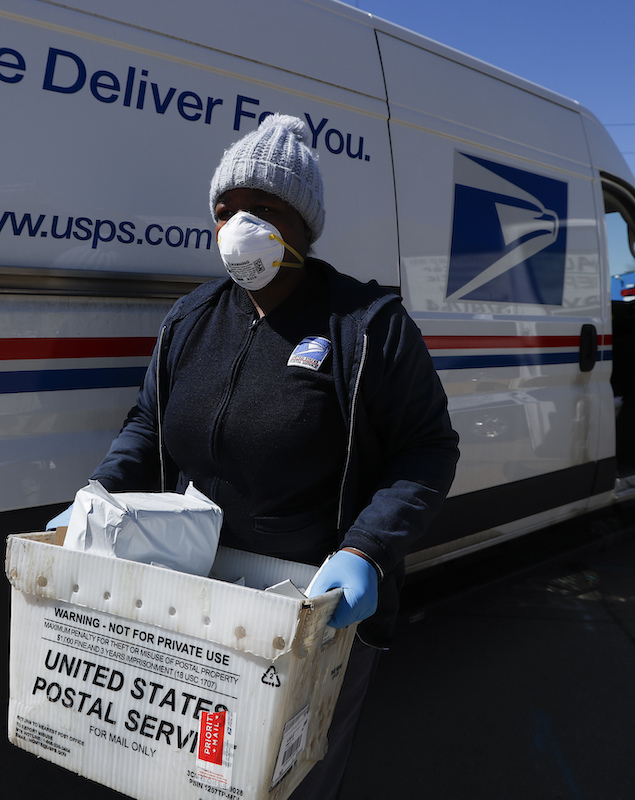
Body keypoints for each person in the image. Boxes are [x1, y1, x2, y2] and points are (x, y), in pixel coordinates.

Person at [53, 114, 459, 798]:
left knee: (288, 777)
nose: (240, 224)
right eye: (226, 210)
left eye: (264, 208)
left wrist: (364, 550)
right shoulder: (189, 320)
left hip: (310, 615)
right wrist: (97, 493)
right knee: (191, 768)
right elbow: (148, 425)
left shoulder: (366, 326)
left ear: (304, 224)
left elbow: (427, 450)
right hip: (191, 597)